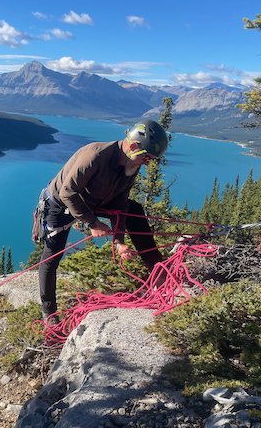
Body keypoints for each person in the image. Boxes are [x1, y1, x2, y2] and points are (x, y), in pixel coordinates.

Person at [35, 120, 168, 320]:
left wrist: (119, 242)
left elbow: (121, 204)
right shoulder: (95, 156)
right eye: (147, 157)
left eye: (152, 159)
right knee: (51, 258)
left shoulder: (133, 162)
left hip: (94, 200)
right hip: (60, 203)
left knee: (134, 210)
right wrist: (93, 224)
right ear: (133, 146)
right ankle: (49, 314)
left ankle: (160, 274)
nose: (148, 162)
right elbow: (68, 193)